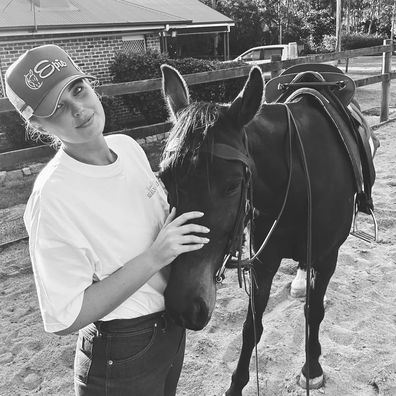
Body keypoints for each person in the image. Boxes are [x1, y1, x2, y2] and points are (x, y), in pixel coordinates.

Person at [5, 44, 210, 396]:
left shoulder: (128, 148)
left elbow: (161, 224)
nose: (78, 109)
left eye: (78, 90)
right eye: (57, 108)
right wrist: (154, 258)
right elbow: (64, 317)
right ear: (36, 123)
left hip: (170, 328)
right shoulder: (53, 197)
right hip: (123, 349)